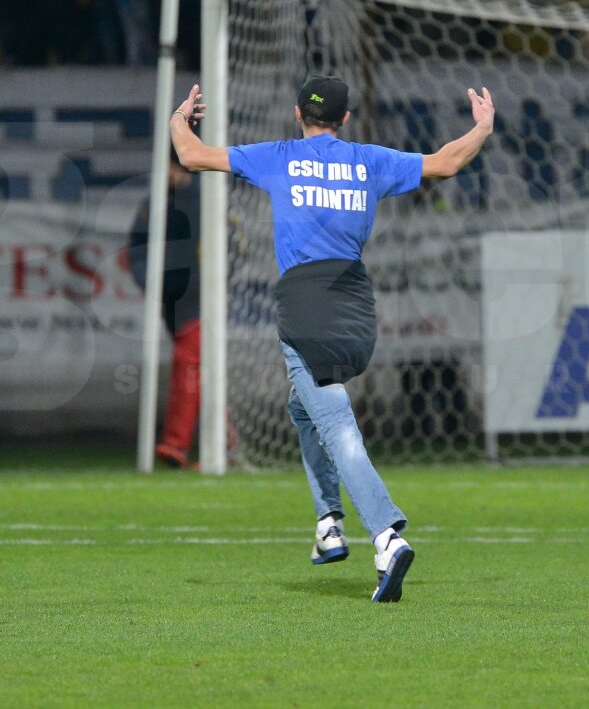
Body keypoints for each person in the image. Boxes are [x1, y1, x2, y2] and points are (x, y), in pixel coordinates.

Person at [169, 76, 495, 603]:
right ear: (345, 119)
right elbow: (446, 162)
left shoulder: (280, 156)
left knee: (338, 426)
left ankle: (387, 537)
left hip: (306, 307)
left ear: (299, 114)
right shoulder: (367, 160)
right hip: (357, 311)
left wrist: (179, 118)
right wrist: (482, 127)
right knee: (304, 410)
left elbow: (189, 155)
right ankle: (328, 524)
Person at [127, 147, 203, 468]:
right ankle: (228, 440)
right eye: (168, 167)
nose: (171, 173)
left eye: (176, 167)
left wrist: (215, 282)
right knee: (199, 371)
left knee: (188, 363)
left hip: (200, 300)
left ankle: (175, 443)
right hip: (170, 300)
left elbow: (234, 245)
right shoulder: (154, 204)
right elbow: (137, 248)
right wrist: (149, 281)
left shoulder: (208, 201)